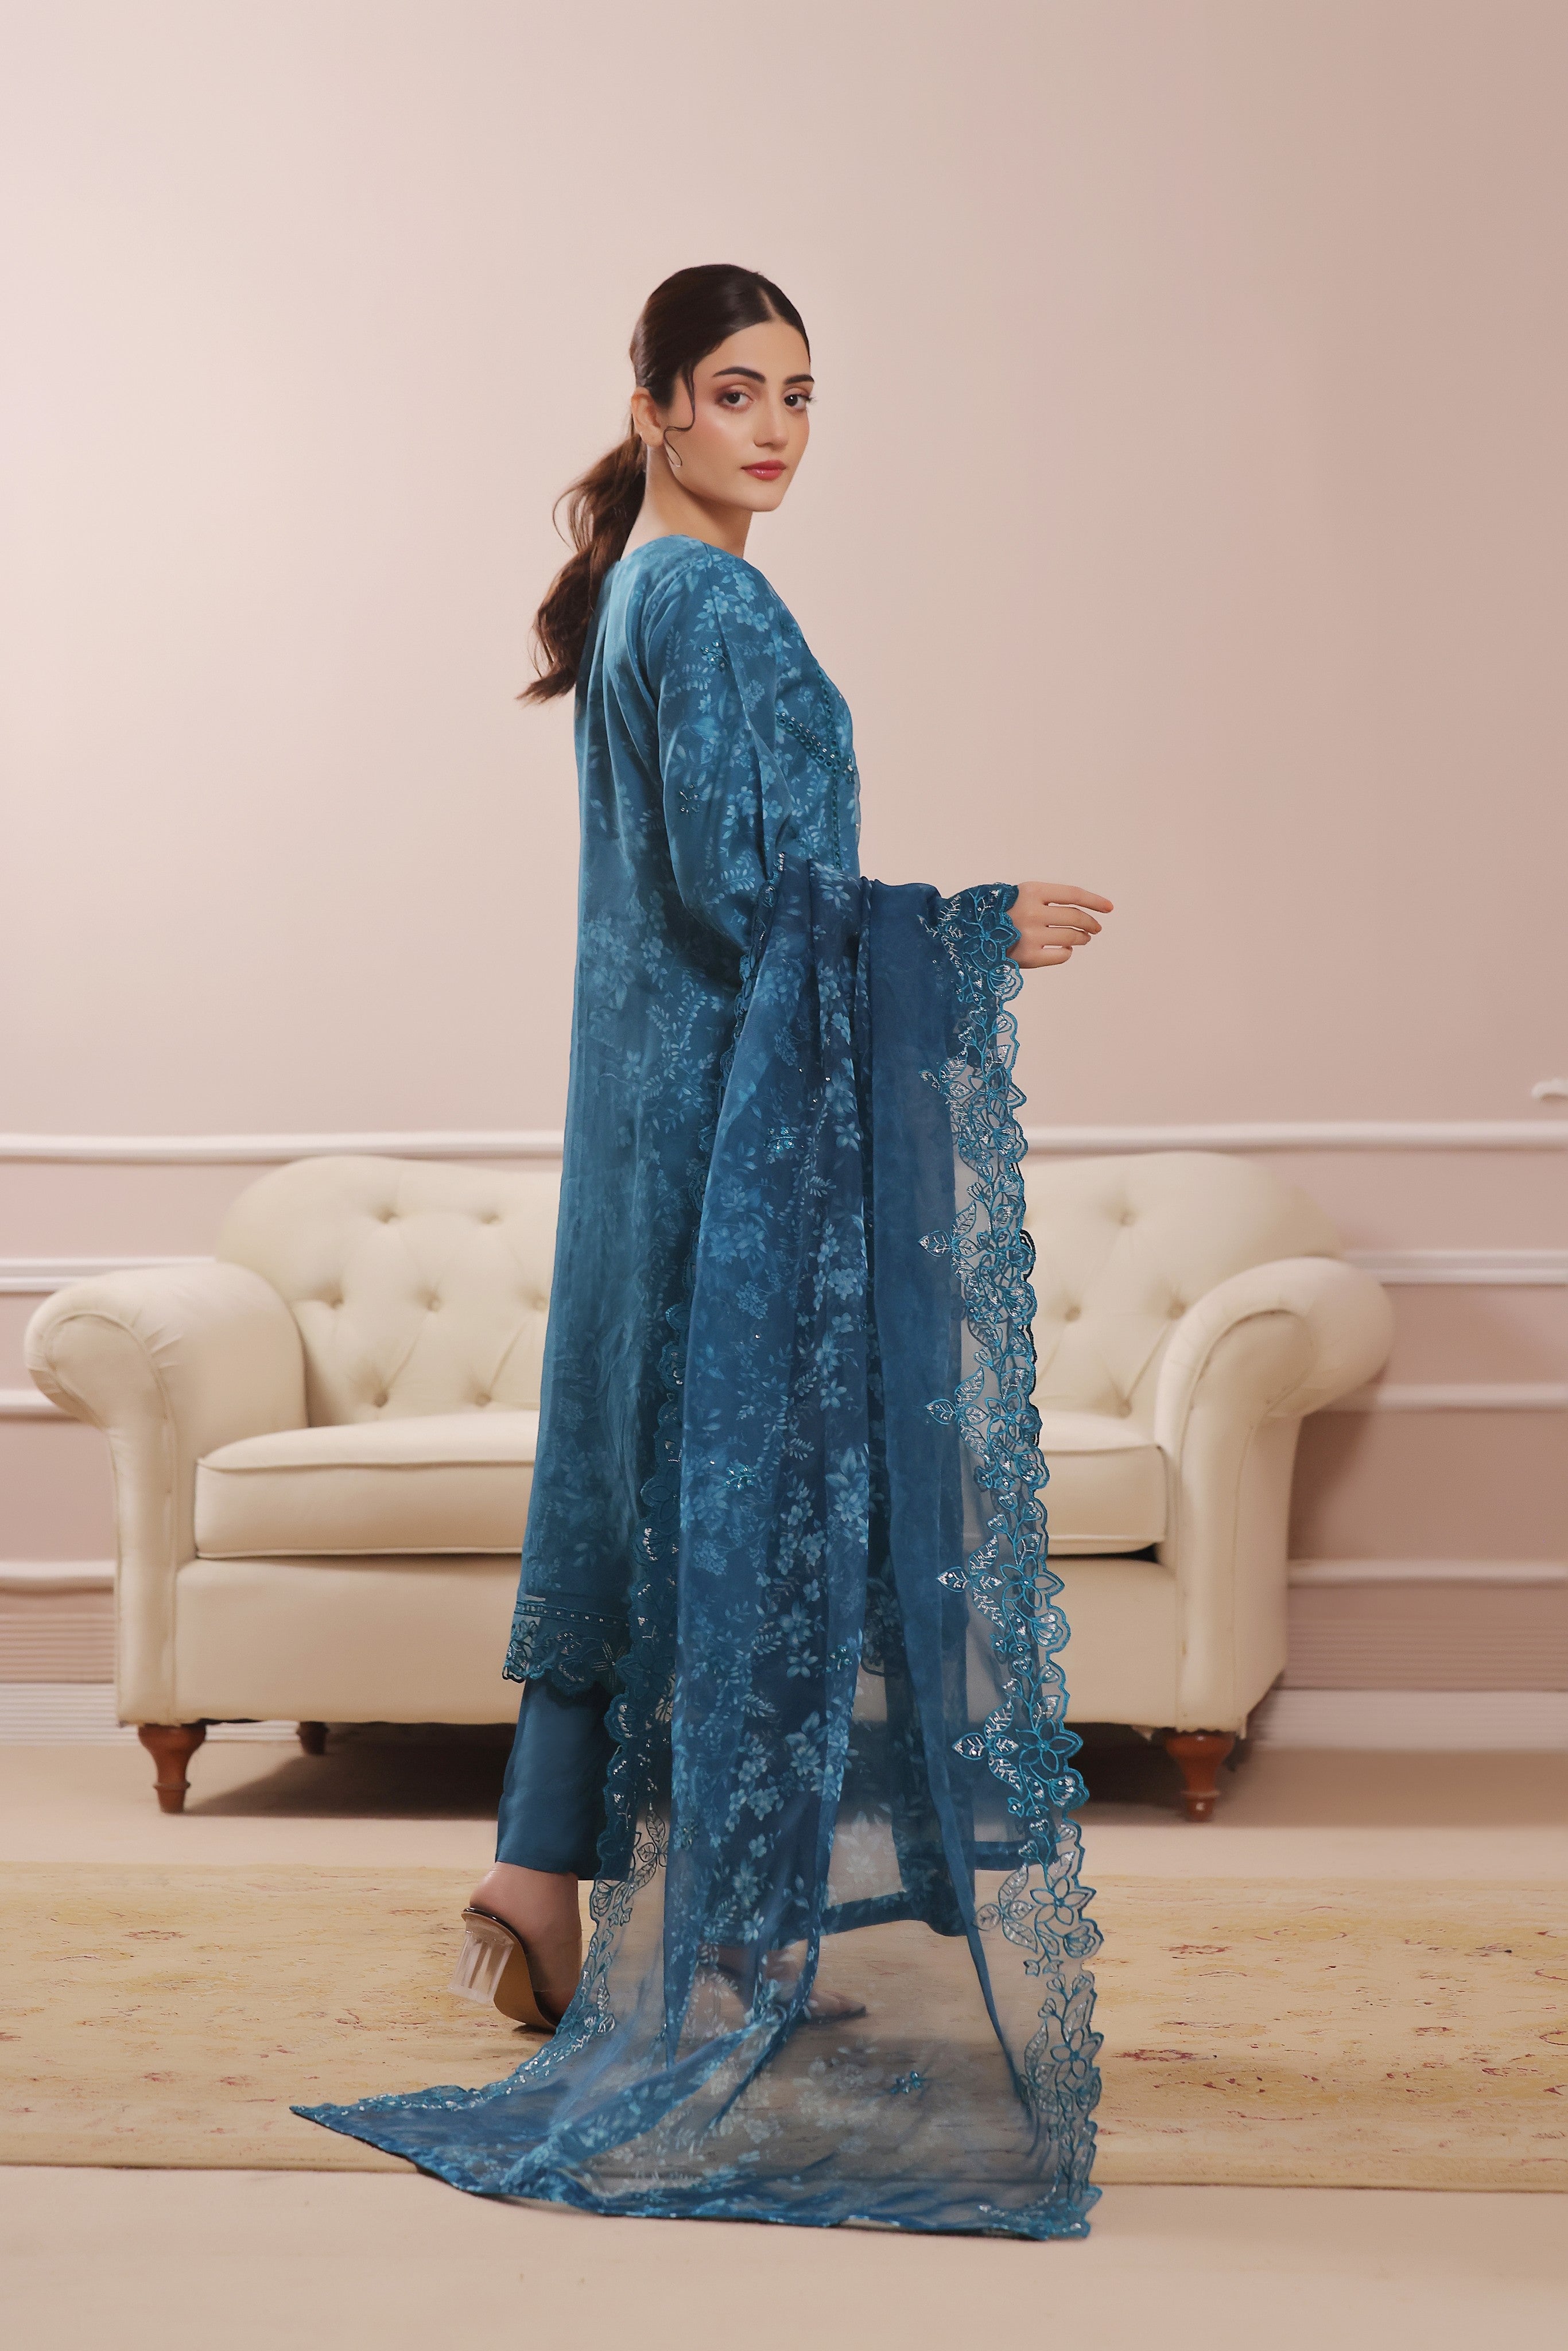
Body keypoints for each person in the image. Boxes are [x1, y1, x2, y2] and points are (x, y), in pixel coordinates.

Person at [300, 264, 1112, 2237]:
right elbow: (746, 893)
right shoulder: (713, 603)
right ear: (654, 405)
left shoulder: (639, 594)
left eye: (800, 396)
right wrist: (962, 926)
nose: (774, 430)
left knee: (644, 1481)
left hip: (652, 1114)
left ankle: (535, 1881)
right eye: (735, 391)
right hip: (731, 1129)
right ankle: (721, 1942)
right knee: (739, 1501)